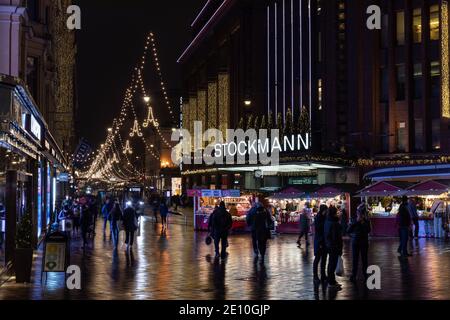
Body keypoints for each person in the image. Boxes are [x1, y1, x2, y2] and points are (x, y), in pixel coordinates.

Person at [347, 207, 371, 283]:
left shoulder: (366, 221)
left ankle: (365, 275)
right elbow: (348, 230)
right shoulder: (354, 220)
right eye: (358, 214)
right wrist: (356, 222)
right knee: (355, 259)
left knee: (364, 259)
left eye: (360, 214)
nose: (359, 216)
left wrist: (363, 223)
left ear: (363, 215)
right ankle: (354, 275)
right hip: (356, 242)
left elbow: (368, 230)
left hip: (363, 242)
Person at [324, 204, 343, 289]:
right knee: (332, 264)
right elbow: (336, 237)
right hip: (334, 246)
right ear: (334, 213)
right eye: (337, 212)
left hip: (329, 245)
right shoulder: (334, 223)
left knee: (330, 264)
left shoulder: (327, 221)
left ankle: (331, 281)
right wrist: (339, 247)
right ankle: (331, 282)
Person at [313, 204, 328, 283]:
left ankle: (323, 275)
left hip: (324, 241)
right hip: (319, 241)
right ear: (323, 210)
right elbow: (318, 228)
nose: (327, 212)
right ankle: (315, 276)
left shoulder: (324, 217)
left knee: (324, 259)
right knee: (318, 258)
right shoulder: (318, 218)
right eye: (326, 210)